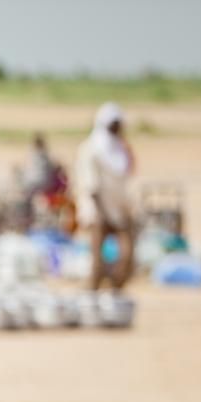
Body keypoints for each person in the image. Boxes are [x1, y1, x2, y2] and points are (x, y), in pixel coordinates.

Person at [76, 102, 136, 292]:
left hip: (118, 211)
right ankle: (93, 291)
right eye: (114, 124)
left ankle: (115, 289)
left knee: (126, 255)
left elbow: (127, 175)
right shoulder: (91, 149)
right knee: (97, 259)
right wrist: (102, 214)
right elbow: (91, 186)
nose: (118, 128)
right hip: (98, 211)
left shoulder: (120, 150)